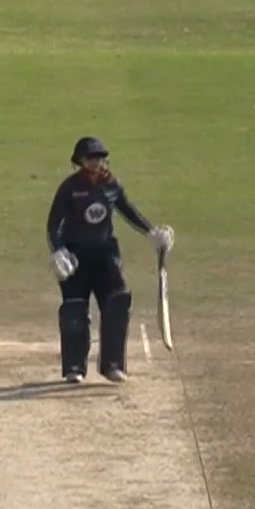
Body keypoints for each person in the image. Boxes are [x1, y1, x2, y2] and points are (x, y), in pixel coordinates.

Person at [45, 136, 174, 384]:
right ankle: (74, 367)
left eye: (99, 158)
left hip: (105, 253)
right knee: (74, 308)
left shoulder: (111, 184)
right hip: (75, 256)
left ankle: (113, 365)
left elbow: (127, 209)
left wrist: (151, 232)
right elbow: (53, 225)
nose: (96, 162)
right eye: (90, 158)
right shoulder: (70, 187)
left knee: (117, 301)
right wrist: (58, 250)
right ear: (80, 161)